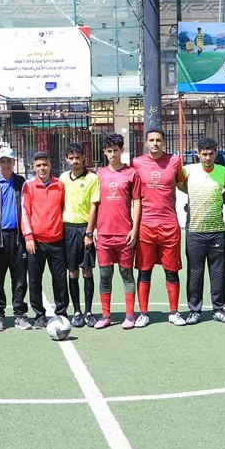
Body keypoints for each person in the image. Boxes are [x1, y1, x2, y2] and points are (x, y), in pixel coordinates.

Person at [132, 128, 185, 327]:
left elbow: (182, 185)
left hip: (170, 225)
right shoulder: (137, 163)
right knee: (144, 271)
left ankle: (174, 312)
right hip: (146, 226)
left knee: (172, 271)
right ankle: (143, 313)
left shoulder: (175, 161)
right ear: (146, 143)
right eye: (151, 140)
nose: (155, 143)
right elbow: (133, 193)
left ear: (164, 142)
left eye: (159, 140)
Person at [181, 137, 225, 325]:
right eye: (204, 154)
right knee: (195, 272)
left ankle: (219, 309)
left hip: (217, 231)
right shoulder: (188, 171)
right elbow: (180, 185)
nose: (207, 157)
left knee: (218, 271)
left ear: (216, 153)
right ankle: (194, 310)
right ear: (198, 154)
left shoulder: (224, 172)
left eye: (211, 154)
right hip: (194, 231)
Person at [92, 132, 141, 330]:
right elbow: (94, 203)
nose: (112, 154)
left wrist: (135, 229)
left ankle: (130, 315)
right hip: (103, 235)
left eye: (116, 150)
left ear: (122, 151)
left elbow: (137, 201)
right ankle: (106, 316)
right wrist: (94, 228)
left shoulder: (131, 174)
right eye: (109, 151)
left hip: (125, 234)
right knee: (105, 276)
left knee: (126, 274)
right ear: (104, 152)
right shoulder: (99, 175)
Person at [0, 146, 29, 332]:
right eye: (2, 161)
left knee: (19, 280)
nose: (6, 164)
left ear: (13, 162)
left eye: (9, 161)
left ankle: (20, 314)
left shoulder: (20, 182)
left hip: (18, 239)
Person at [22, 151, 68, 324]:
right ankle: (39, 315)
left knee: (60, 279)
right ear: (34, 167)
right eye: (39, 165)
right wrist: (29, 237)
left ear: (50, 166)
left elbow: (64, 208)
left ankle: (61, 312)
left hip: (57, 241)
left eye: (45, 165)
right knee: (34, 280)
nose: (42, 168)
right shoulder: (28, 187)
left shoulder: (60, 185)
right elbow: (25, 213)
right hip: (36, 242)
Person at [61, 143, 99, 328]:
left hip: (85, 229)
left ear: (84, 157)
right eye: (71, 158)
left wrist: (89, 232)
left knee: (87, 271)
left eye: (78, 157)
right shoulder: (62, 179)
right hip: (68, 230)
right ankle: (76, 311)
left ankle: (89, 311)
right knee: (73, 271)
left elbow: (94, 206)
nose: (75, 161)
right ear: (67, 160)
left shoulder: (93, 179)